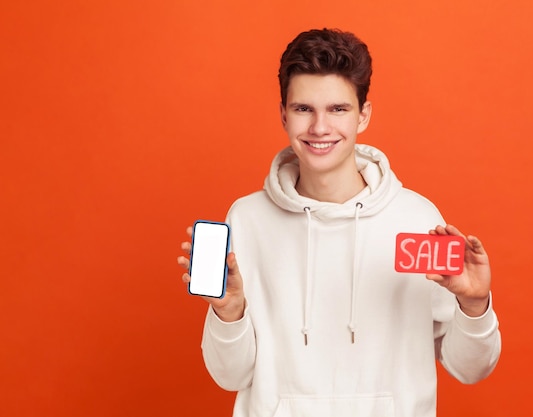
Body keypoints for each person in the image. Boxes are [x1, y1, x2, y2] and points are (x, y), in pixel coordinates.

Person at [178, 28, 501, 417]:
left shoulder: (417, 220)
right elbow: (230, 377)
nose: (319, 128)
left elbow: (469, 368)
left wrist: (473, 303)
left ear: (363, 115)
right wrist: (228, 311)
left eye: (338, 109)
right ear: (283, 114)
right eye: (303, 109)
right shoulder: (248, 220)